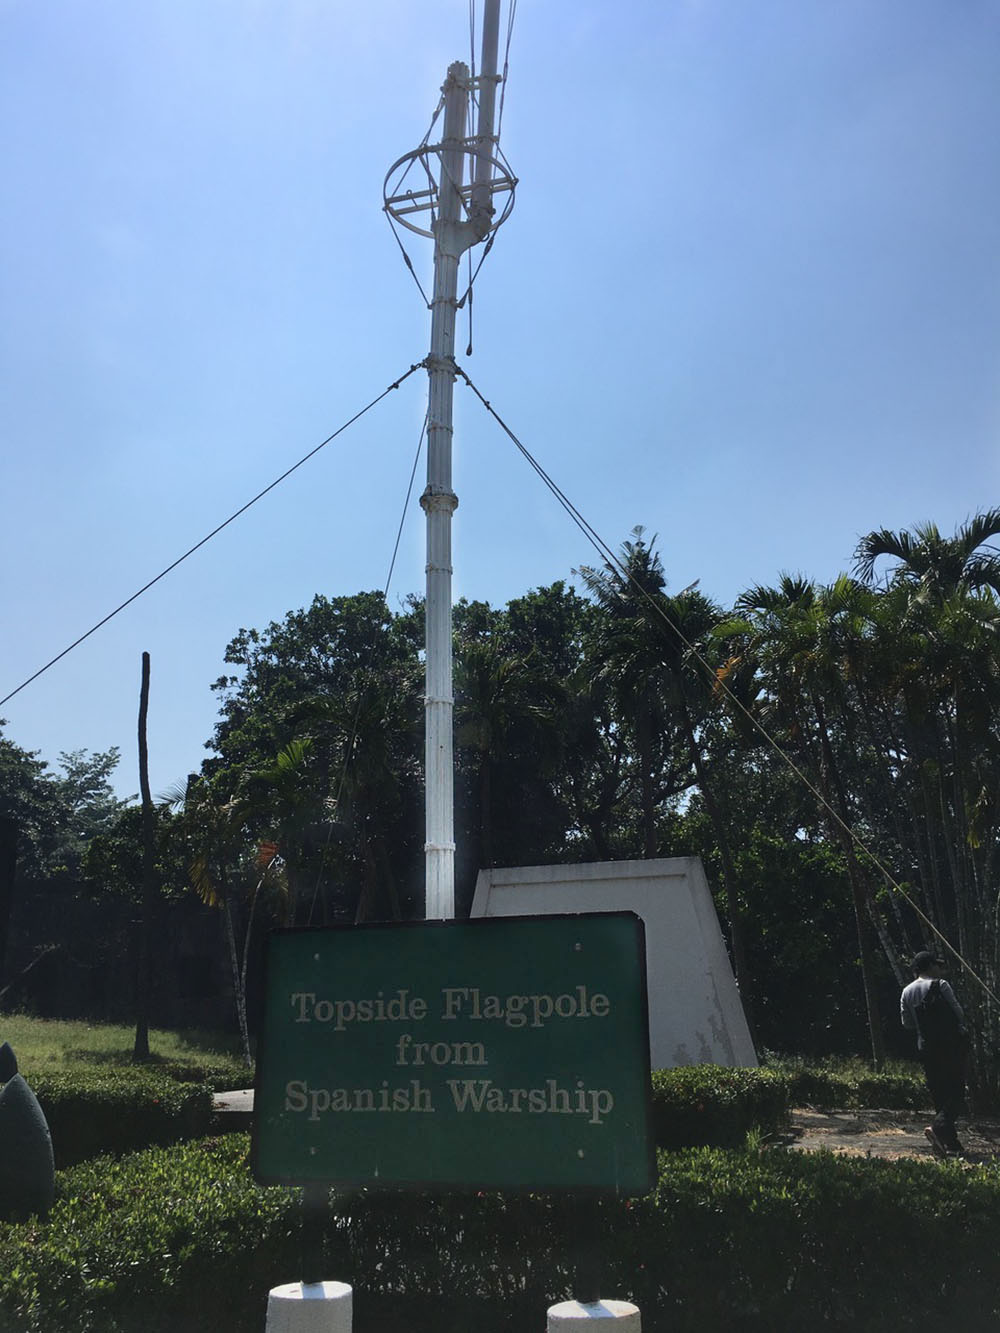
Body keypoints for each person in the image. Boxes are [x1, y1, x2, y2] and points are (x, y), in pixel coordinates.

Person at [900, 950, 968, 1156]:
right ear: (929, 966)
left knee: (939, 1093)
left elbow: (907, 1024)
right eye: (937, 965)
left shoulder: (907, 991)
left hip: (926, 1047)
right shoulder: (941, 985)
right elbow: (959, 1013)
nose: (939, 969)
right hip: (950, 1046)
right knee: (956, 1091)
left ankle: (950, 1142)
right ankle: (938, 1129)